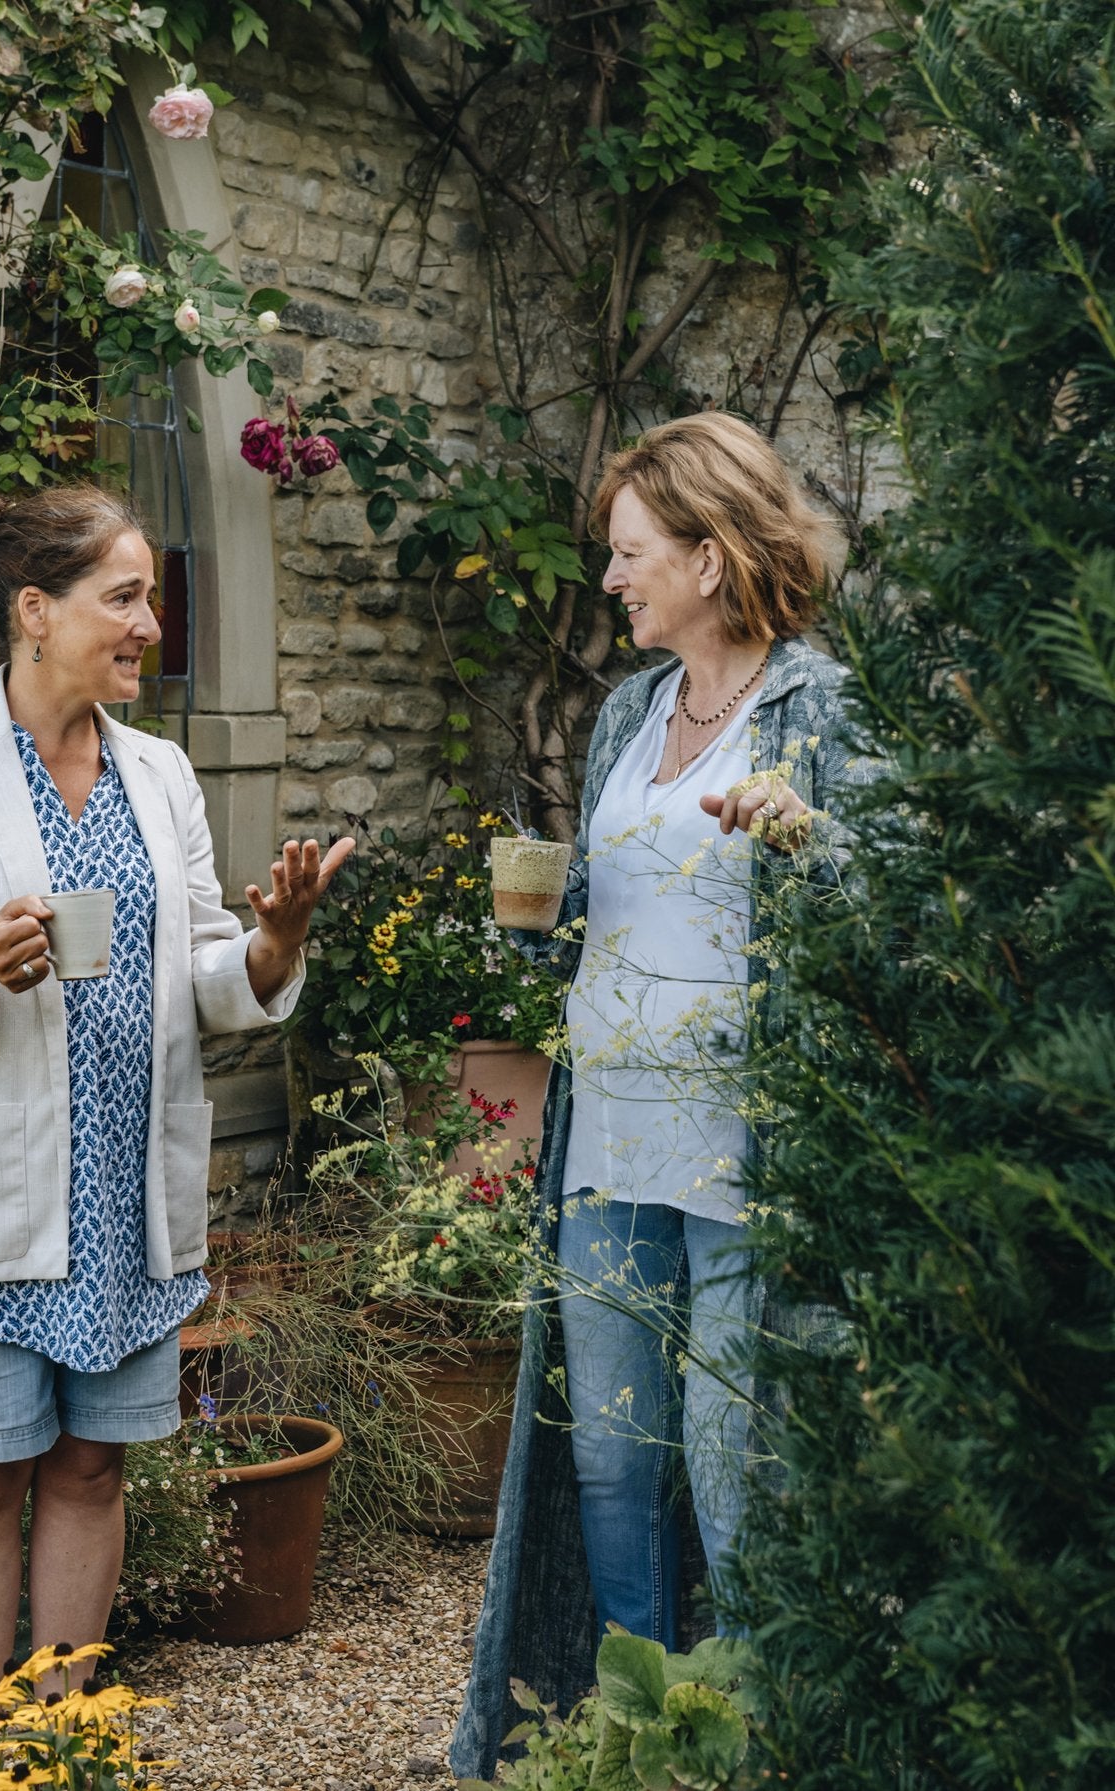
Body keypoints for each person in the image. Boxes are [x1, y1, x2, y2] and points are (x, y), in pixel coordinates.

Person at [0, 485, 353, 1680]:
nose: (149, 628)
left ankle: (64, 1721)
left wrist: (273, 947)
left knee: (90, 1466)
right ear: (34, 610)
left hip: (126, 1196)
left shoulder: (161, 774)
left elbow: (209, 974)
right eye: (123, 598)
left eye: (150, 601)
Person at [452, 413, 874, 1779]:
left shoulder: (816, 705)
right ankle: (646, 1739)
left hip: (748, 1148)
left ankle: (760, 1735)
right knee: (614, 1461)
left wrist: (810, 837)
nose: (614, 577)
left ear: (710, 551)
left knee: (739, 1463)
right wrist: (539, 913)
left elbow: (897, 895)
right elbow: (611, 905)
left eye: (633, 553)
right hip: (611, 1133)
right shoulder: (633, 710)